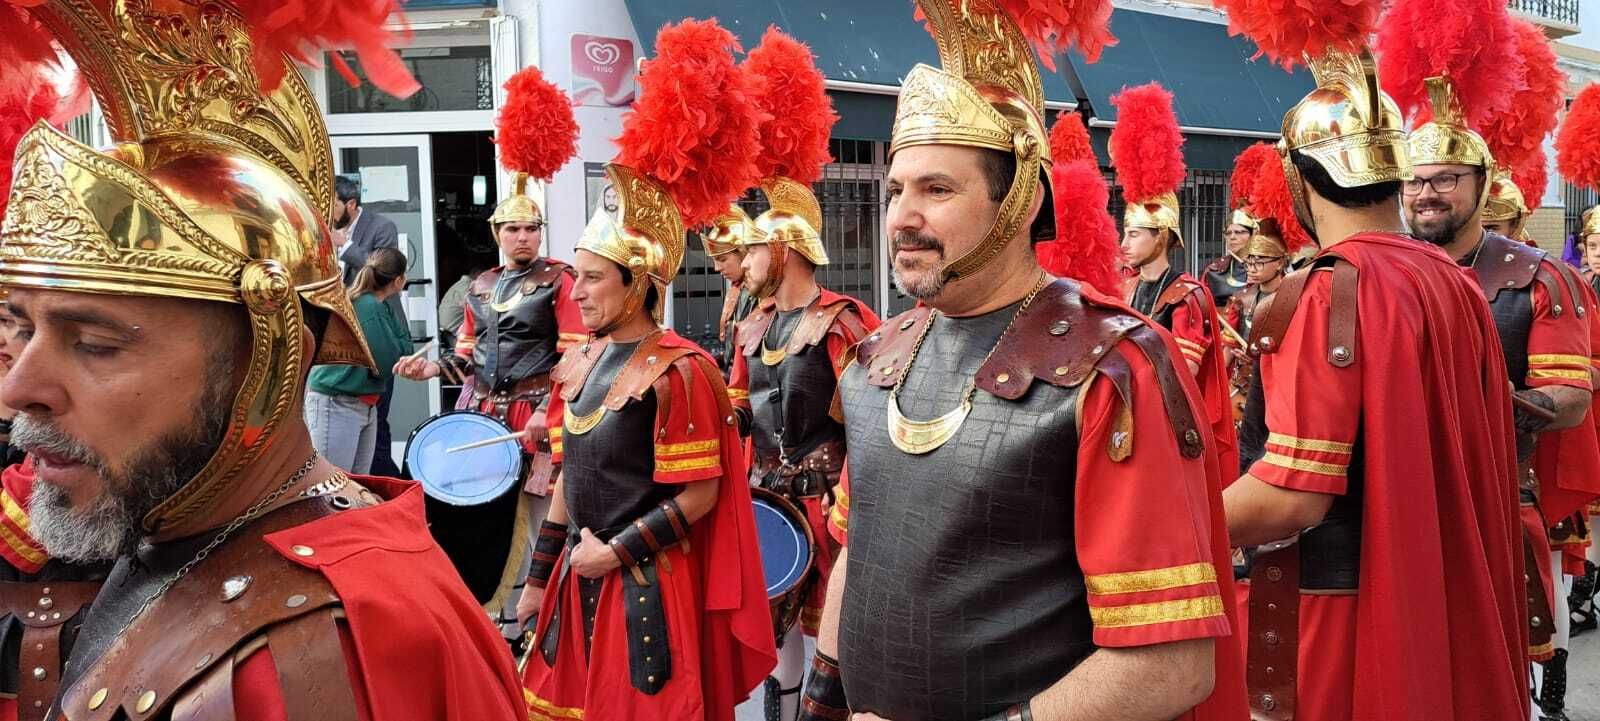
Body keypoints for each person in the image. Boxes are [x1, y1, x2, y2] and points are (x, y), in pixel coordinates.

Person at [0, 1, 527, 718]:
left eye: (93, 342)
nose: (19, 389)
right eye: (19, 327)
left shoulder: (325, 654)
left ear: (271, 358)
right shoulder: (176, 518)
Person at [802, 2, 1248, 721]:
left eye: (937, 189)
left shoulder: (1114, 370)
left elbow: (1172, 664)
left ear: (1019, 200)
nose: (902, 216)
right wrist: (821, 695)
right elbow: (863, 553)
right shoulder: (879, 358)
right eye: (895, 190)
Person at [1222, 48, 1527, 721]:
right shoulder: (1453, 279)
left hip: (1339, 616)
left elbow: (1295, 493)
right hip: (1434, 594)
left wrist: (1173, 528)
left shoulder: (1326, 287)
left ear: (1302, 178)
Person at [517, 21, 777, 713]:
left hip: (646, 587)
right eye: (577, 276)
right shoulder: (584, 361)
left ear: (637, 283)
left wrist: (616, 552)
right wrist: (537, 579)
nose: (578, 291)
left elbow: (698, 495)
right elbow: (572, 476)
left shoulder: (681, 370)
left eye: (595, 278)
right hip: (579, 580)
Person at [1114, 83, 1240, 486]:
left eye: (1135, 234)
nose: (1124, 243)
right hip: (1126, 416)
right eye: (1125, 233)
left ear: (1163, 236)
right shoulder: (1125, 288)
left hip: (1170, 427)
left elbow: (1183, 374)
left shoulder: (1188, 296)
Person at [305, 248, 415, 475]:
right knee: (333, 487)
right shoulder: (370, 306)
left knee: (352, 485)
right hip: (338, 402)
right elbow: (389, 362)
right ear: (399, 280)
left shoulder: (375, 304)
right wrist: (398, 348)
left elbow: (405, 350)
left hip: (358, 403)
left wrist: (399, 349)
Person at [701, 206, 759, 373]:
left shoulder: (764, 293)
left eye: (723, 259)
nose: (717, 268)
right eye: (714, 261)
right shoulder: (737, 289)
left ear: (743, 252)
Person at [332, 175, 402, 287]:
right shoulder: (330, 228)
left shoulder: (382, 227)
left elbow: (383, 272)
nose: (328, 212)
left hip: (373, 303)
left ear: (351, 204)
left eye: (333, 206)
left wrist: (344, 245)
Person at [1203, 210, 1254, 306]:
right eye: (1228, 233)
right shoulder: (1214, 270)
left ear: (1252, 235)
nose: (1232, 237)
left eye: (1239, 232)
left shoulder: (1267, 266)